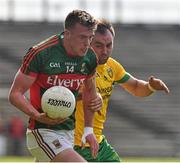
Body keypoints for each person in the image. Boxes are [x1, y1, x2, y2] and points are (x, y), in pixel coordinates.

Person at [8, 10, 103, 162]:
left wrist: (88, 130)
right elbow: (15, 94)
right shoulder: (41, 53)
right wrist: (37, 115)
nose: (87, 43)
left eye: (90, 37)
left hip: (68, 133)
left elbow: (90, 93)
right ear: (68, 33)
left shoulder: (90, 57)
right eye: (82, 37)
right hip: (41, 131)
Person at [74, 19, 170, 162]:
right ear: (88, 43)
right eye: (98, 46)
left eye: (109, 45)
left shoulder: (112, 67)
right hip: (76, 144)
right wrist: (88, 95)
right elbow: (60, 96)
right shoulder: (74, 66)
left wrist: (150, 87)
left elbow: (136, 87)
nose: (105, 51)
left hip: (98, 142)